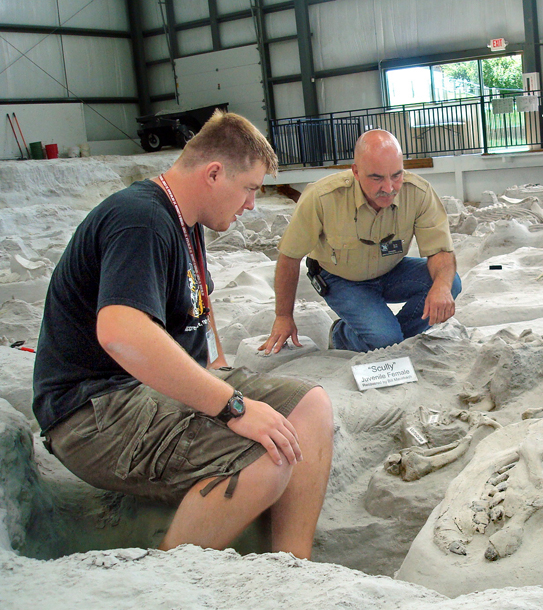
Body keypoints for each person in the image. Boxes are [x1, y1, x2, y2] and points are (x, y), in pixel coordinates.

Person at [32, 111, 333, 560]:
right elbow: (121, 331)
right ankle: (171, 573)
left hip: (149, 392)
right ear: (214, 173)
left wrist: (221, 375)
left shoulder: (185, 221)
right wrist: (232, 405)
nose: (252, 204)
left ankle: (294, 566)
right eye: (249, 188)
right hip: (92, 410)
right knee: (265, 461)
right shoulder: (141, 219)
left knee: (311, 406)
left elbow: (198, 308)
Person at [260, 129, 462, 354]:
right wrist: (283, 316)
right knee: (385, 339)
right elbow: (289, 256)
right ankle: (342, 335)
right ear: (356, 171)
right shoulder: (322, 197)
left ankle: (391, 339)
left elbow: (440, 251)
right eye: (376, 178)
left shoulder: (418, 193)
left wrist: (441, 288)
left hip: (389, 271)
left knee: (450, 282)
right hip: (340, 279)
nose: (389, 188)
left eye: (396, 175)